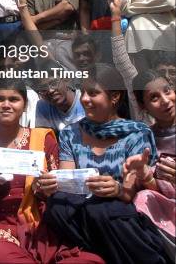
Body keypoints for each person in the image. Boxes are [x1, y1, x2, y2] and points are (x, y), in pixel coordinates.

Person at [38, 64, 169, 264]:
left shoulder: (137, 133)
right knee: (57, 205)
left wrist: (116, 189)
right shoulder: (70, 133)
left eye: (93, 93)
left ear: (114, 97)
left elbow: (132, 192)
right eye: (83, 92)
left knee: (103, 210)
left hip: (122, 215)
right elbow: (68, 182)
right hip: (82, 211)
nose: (84, 99)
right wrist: (51, 184)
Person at [0, 79, 103, 264]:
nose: (6, 105)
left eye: (14, 99)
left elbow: (62, 191)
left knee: (91, 260)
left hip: (43, 226)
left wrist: (46, 189)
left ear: (24, 106)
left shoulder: (43, 139)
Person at [125, 70, 175, 257]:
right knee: (143, 198)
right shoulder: (145, 138)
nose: (165, 101)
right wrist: (145, 175)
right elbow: (159, 192)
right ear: (143, 106)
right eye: (154, 97)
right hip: (170, 210)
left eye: (167, 91)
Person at [34, 62, 85, 131]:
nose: (50, 90)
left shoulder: (84, 101)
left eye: (54, 83)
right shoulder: (43, 106)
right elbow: (43, 138)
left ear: (66, 79)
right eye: (43, 88)